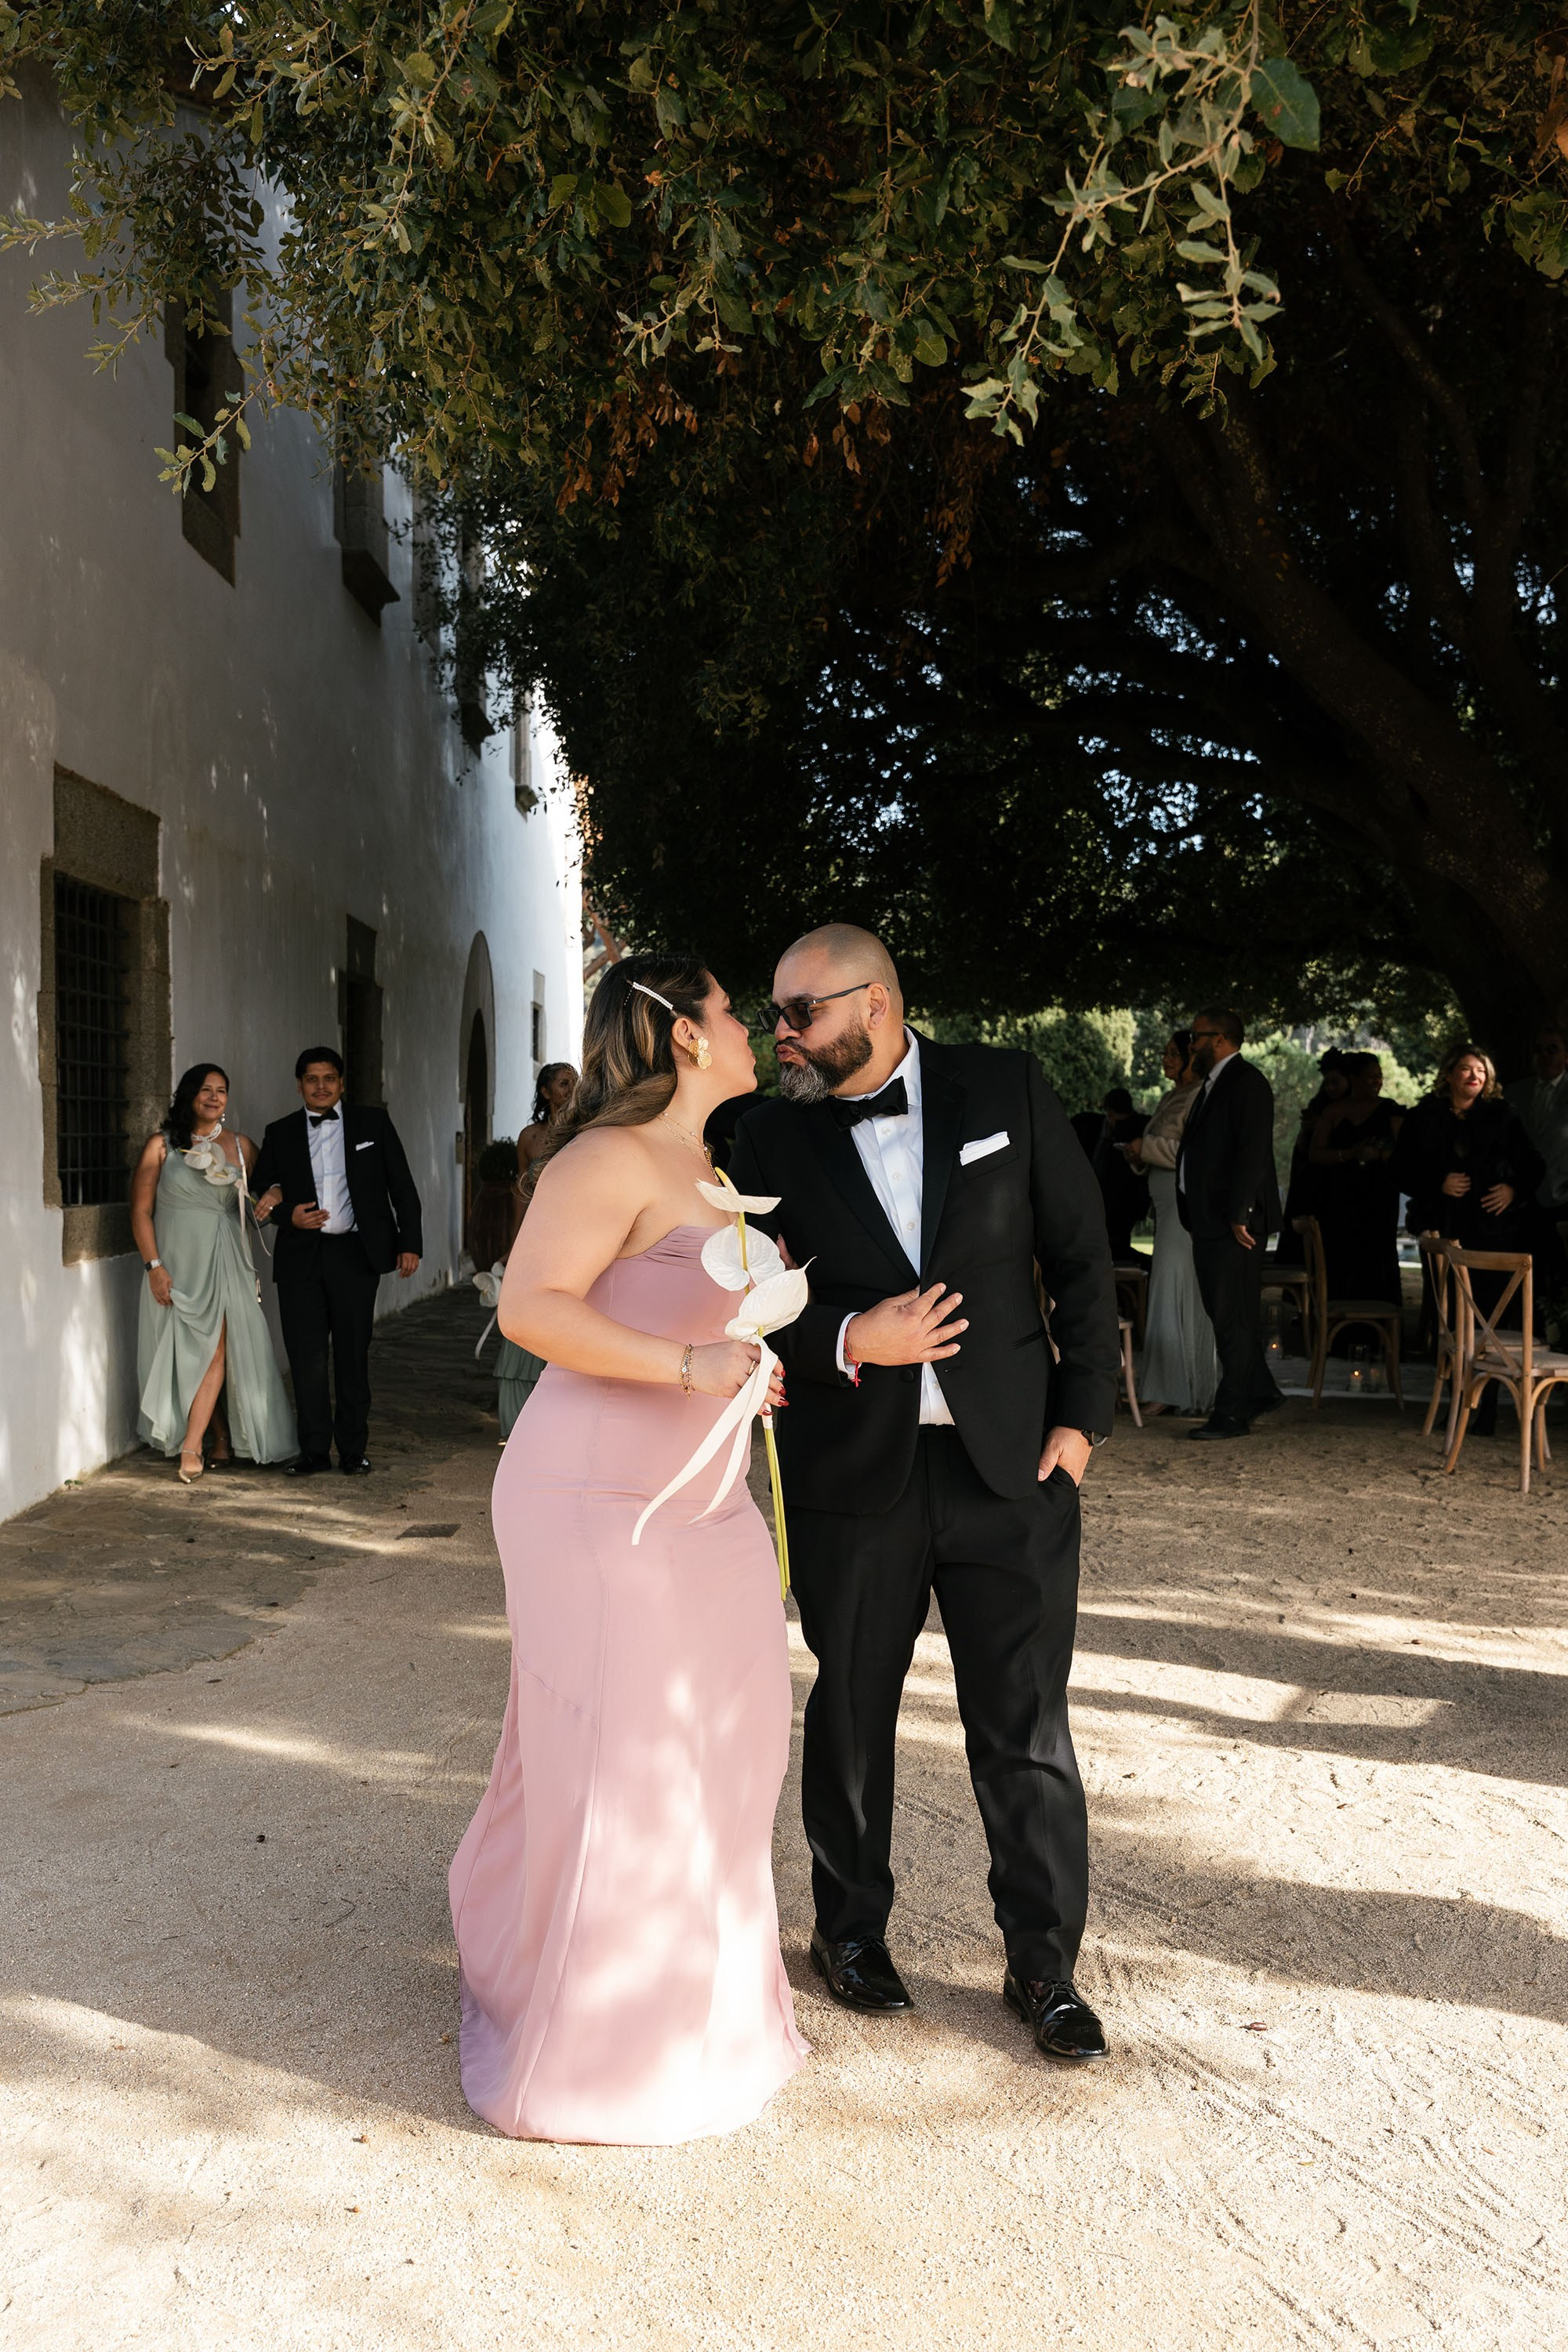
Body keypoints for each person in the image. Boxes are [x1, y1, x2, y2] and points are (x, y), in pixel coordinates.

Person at [727, 924, 1119, 2066]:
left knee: (1028, 1731)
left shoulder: (1009, 1088)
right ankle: (850, 1936)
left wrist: (1081, 1424)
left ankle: (1044, 1969)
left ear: (880, 1004)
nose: (781, 1034)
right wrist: (854, 1333)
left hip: (1015, 1471)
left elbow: (1085, 1259)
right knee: (851, 1713)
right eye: (775, 1013)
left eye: (802, 1012)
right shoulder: (760, 1138)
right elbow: (741, 1303)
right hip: (856, 1474)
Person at [448, 956, 807, 2144]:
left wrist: (742, 1365)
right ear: (686, 1037)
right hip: (595, 1497)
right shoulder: (604, 1158)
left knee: (736, 1739)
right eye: (732, 1010)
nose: (753, 1027)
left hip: (702, 1499)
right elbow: (531, 1308)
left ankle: (706, 2003)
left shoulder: (711, 1168)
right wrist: (687, 1366)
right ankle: (605, 2046)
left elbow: (682, 1315)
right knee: (629, 1757)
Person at [251, 1047, 423, 1475]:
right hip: (300, 1259)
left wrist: (410, 1243)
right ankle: (313, 1451)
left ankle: (352, 1449)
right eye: (312, 1079)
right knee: (305, 1357)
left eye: (329, 1078)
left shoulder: (373, 1123)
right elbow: (258, 1188)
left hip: (354, 1254)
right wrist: (284, 1213)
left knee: (352, 1354)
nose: (321, 1086)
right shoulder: (281, 1132)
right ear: (299, 1085)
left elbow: (401, 1185)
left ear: (342, 1083)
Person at [129, 1063, 296, 1482]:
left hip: (225, 1258)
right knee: (193, 1353)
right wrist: (154, 1267)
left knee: (219, 1349)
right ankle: (219, 1438)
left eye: (222, 1090)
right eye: (206, 1089)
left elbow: (273, 1188)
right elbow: (140, 1212)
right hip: (176, 1262)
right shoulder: (161, 1146)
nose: (215, 1096)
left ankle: (191, 1446)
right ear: (189, 1095)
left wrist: (275, 1194)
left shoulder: (241, 1147)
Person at [1175, 1006, 1283, 1439]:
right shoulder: (1213, 1085)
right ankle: (1258, 1390)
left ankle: (1233, 1412)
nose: (1191, 1046)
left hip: (1233, 1223)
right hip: (1210, 1220)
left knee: (1233, 1317)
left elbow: (1252, 1153)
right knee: (1224, 1314)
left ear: (1219, 1039)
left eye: (1196, 1038)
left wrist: (1242, 1215)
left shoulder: (1246, 1083)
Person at [1125, 1031, 1218, 1417]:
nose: (1165, 1060)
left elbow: (1192, 1152)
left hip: (1185, 1206)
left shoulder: (1201, 1095)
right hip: (1163, 1204)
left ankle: (1179, 1388)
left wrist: (1144, 1148)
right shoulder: (1170, 1097)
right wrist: (1137, 1156)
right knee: (1168, 1284)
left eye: (1172, 1054)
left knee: (1174, 1286)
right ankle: (1173, 1386)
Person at [493, 1062, 579, 1433]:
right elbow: (520, 1194)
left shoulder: (589, 1131)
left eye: (575, 1081)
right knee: (528, 1312)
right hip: (535, 1237)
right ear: (545, 1092)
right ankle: (520, 1419)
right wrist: (514, 1244)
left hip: (577, 1238)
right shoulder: (529, 1138)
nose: (571, 1087)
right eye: (563, 1083)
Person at [1308, 1051, 1404, 1318]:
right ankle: (1338, 1331)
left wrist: (1384, 1153)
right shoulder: (1333, 1110)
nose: (1376, 1082)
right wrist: (1350, 1154)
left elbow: (1404, 1152)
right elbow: (1315, 1153)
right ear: (1355, 1079)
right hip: (1339, 1198)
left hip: (1379, 1197)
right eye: (1370, 1077)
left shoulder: (1391, 1110)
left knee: (1377, 1258)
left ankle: (1381, 1330)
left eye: (1379, 1077)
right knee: (1341, 1259)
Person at [1275, 1049, 1351, 1265]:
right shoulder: (1319, 1108)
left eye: (1336, 1082)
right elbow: (1302, 1151)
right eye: (1327, 1083)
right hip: (1314, 1186)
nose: (1330, 1088)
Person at [1504, 1025, 1568, 1221]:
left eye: (1552, 1049)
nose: (1544, 1055)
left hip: (1563, 1200)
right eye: (1538, 1050)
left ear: (1566, 1056)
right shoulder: (1513, 1093)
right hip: (1520, 1203)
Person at [1091, 1085, 1150, 1258]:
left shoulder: (1117, 1133)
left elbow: (1101, 1167)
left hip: (1117, 1201)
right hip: (1133, 1200)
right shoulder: (1144, 1126)